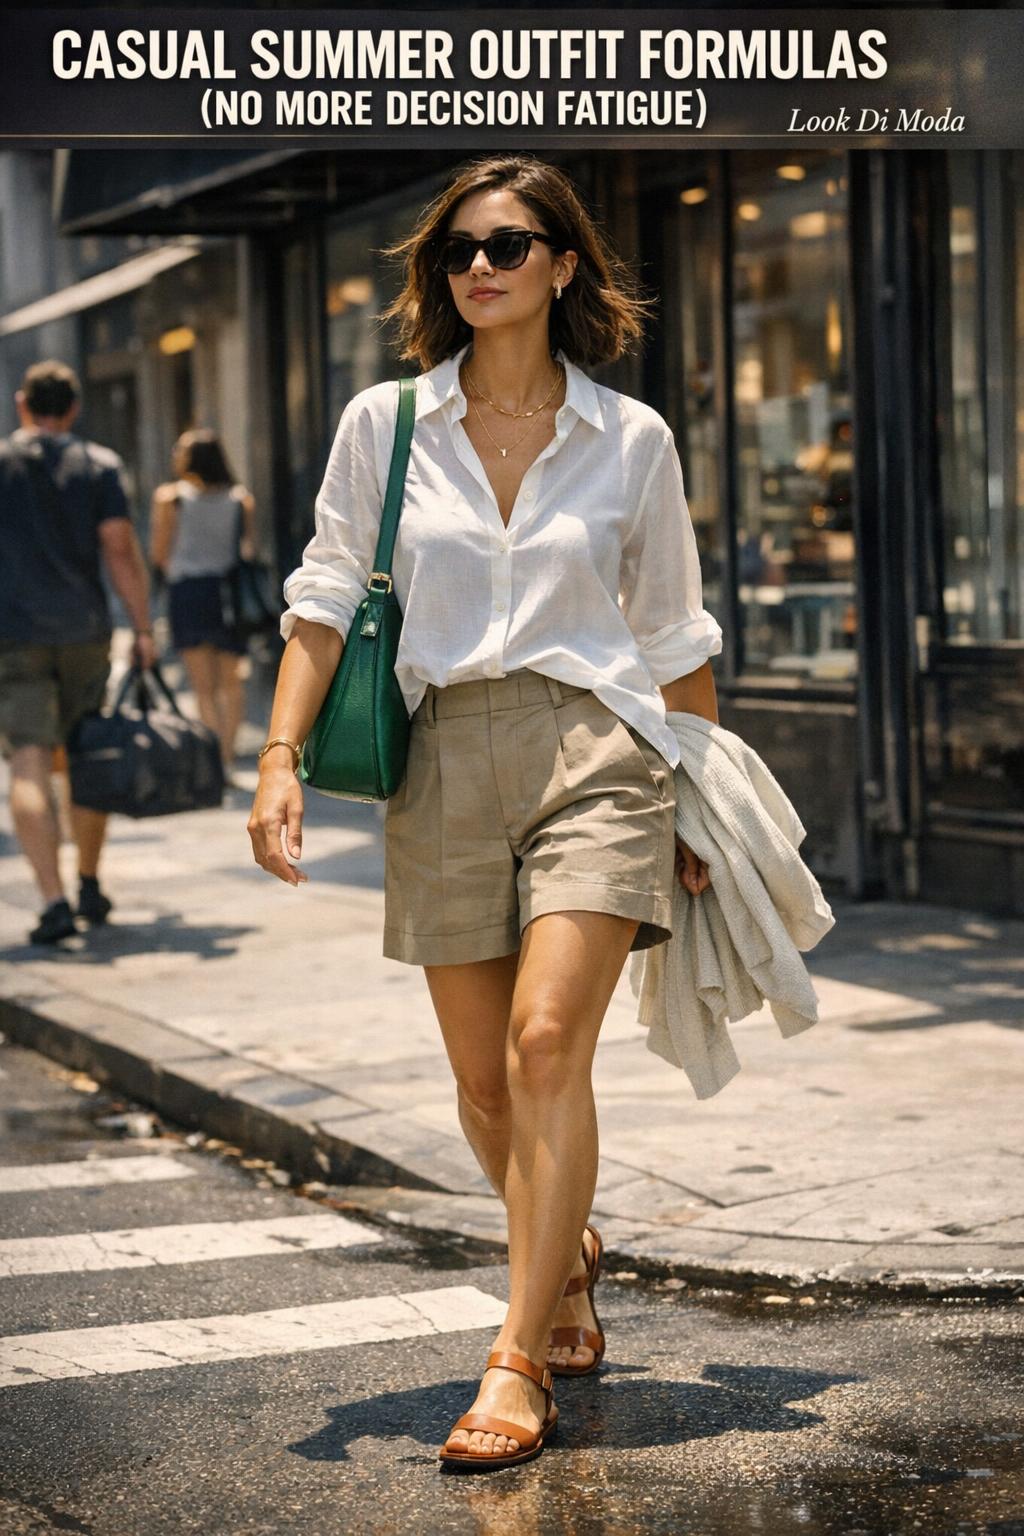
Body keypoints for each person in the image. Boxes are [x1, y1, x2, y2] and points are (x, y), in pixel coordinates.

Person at [247, 155, 723, 1469]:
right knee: (481, 1081)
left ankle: (514, 1361)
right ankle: (561, 1258)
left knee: (544, 1040)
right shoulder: (386, 424)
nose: (481, 268)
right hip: (444, 750)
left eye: (510, 245)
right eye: (461, 250)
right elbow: (328, 591)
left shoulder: (631, 438)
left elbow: (674, 630)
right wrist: (279, 755)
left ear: (564, 265)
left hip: (600, 752)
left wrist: (707, 800)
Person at [0, 359, 154, 944]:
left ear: (21, 404)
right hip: (85, 632)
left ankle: (53, 901)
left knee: (29, 761)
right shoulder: (99, 465)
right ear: (72, 408)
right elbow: (119, 550)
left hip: (14, 635)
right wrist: (142, 628)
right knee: (88, 756)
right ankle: (89, 881)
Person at [150, 430, 255, 778]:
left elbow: (160, 553)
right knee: (232, 682)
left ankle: (215, 762)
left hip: (189, 592)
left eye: (180, 450)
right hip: (228, 594)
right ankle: (227, 755)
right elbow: (248, 550)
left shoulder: (170, 499)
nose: (175, 455)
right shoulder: (241, 499)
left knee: (203, 686)